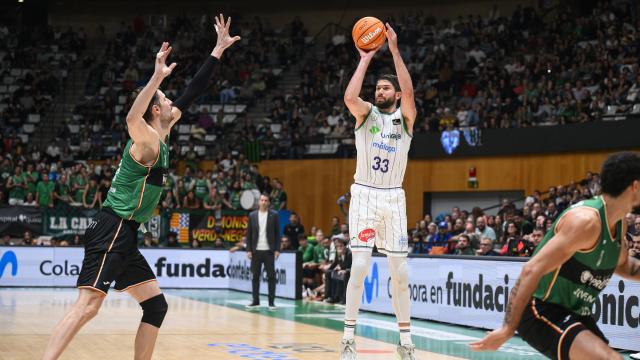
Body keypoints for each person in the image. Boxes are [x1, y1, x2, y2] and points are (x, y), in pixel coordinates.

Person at [42, 15, 240, 360]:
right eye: (164, 99)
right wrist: (155, 77)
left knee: (155, 306)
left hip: (127, 232)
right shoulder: (146, 139)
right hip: (113, 227)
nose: (170, 103)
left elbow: (193, 91)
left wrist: (218, 50)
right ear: (155, 108)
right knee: (88, 306)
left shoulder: (165, 127)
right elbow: (132, 117)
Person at [471, 152, 640, 360]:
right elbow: (531, 269)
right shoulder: (586, 222)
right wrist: (507, 329)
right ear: (635, 186)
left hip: (575, 313)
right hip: (540, 309)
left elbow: (623, 265)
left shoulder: (619, 223)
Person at [340, 23, 417, 360]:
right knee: (359, 267)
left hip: (394, 198)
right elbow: (349, 97)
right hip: (366, 195)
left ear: (396, 94)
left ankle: (406, 342)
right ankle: (347, 338)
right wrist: (365, 59)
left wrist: (395, 51)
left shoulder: (405, 119)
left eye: (387, 88)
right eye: (379, 88)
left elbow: (411, 94)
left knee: (400, 273)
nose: (381, 91)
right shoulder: (366, 114)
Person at [245, 194, 280, 310]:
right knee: (255, 276)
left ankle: (271, 302)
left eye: (266, 200)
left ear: (268, 202)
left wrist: (277, 249)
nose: (264, 202)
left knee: (271, 277)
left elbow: (277, 233)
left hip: (269, 251)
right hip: (256, 251)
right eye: (262, 200)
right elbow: (249, 234)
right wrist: (249, 249)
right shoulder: (252, 215)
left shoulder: (274, 215)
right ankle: (255, 301)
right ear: (259, 202)